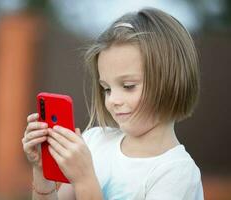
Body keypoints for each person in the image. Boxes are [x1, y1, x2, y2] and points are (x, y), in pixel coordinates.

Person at [22, 7, 204, 200]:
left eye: (128, 86)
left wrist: (85, 180)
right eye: (107, 89)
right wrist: (42, 173)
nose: (113, 100)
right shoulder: (94, 142)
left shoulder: (177, 173)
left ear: (170, 80)